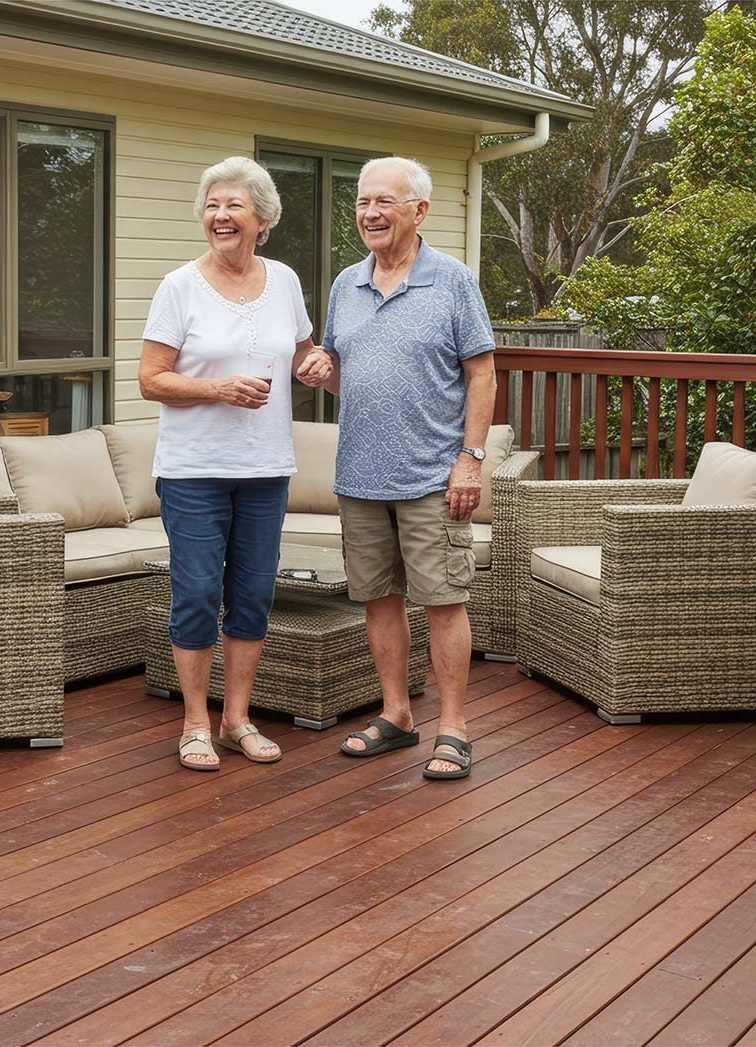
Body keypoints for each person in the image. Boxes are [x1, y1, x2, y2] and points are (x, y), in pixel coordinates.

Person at [139, 156, 333, 773]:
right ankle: (195, 721)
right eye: (212, 206)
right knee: (197, 592)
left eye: (234, 206)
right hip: (193, 468)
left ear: (262, 219)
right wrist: (219, 389)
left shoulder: (284, 281)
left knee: (252, 595)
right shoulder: (179, 287)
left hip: (265, 467)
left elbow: (304, 353)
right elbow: (150, 380)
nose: (220, 216)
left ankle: (236, 719)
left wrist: (317, 365)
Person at [325, 156, 496, 780]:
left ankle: (453, 728)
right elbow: (351, 374)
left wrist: (469, 460)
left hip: (432, 476)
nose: (370, 213)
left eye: (384, 202)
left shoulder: (452, 281)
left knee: (443, 601)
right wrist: (324, 370)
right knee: (378, 600)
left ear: (418, 211)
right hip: (359, 475)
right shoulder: (347, 284)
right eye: (364, 202)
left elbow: (482, 372)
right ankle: (396, 715)